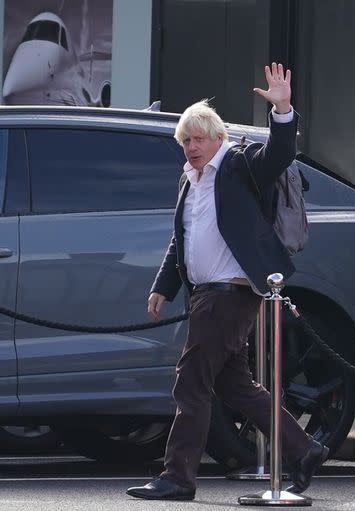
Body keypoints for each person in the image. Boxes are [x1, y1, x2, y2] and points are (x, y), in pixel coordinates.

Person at [125, 63, 328, 501]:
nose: (192, 147)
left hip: (230, 294)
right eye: (185, 141)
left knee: (190, 382)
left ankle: (178, 477)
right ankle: (304, 448)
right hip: (206, 295)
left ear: (217, 138)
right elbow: (182, 240)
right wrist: (164, 285)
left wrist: (283, 108)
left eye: (199, 139)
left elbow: (278, 154)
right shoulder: (190, 179)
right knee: (236, 387)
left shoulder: (237, 165)